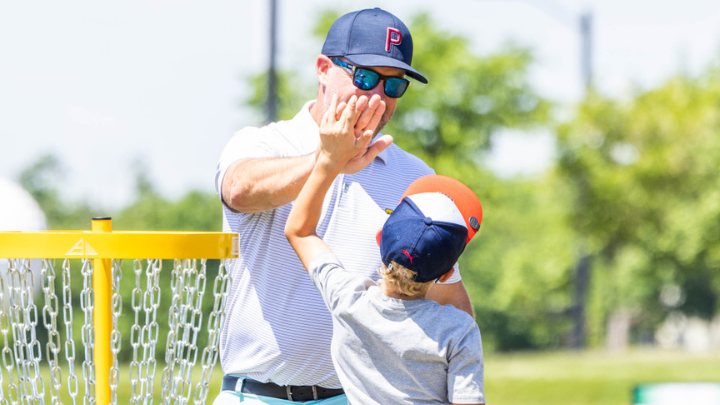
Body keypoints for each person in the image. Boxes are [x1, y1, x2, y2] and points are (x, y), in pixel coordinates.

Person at [214, 8, 479, 404]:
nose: (378, 96)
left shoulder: (415, 175)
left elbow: (450, 307)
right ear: (323, 69)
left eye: (394, 85)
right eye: (365, 77)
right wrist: (328, 160)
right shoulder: (265, 143)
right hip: (256, 394)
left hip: (357, 396)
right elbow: (240, 190)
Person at [284, 93, 485, 405]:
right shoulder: (458, 332)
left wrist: (329, 161)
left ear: (380, 238)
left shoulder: (348, 300)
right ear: (447, 272)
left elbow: (299, 230)